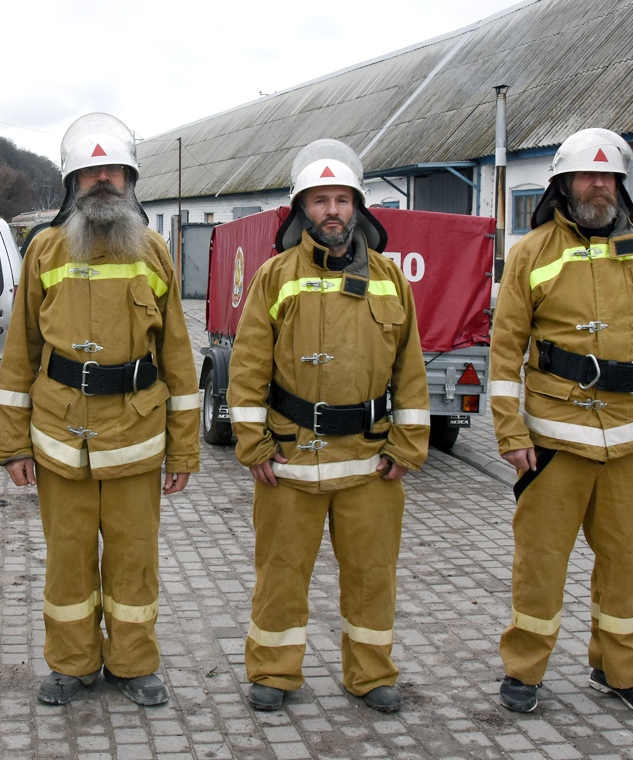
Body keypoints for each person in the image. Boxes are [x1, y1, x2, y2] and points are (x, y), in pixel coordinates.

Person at [489, 128, 633, 717]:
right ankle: (524, 671)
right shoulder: (532, 252)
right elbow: (504, 351)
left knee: (626, 565)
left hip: (628, 446)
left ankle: (620, 671)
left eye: (608, 178)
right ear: (563, 184)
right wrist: (511, 433)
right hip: (552, 445)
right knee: (540, 565)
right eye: (588, 176)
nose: (599, 187)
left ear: (620, 185)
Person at [0, 113, 200, 707]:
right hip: (60, 441)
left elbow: (180, 363)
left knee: (134, 563)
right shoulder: (45, 250)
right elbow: (19, 355)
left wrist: (184, 449)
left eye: (113, 170)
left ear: (130, 180)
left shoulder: (154, 251)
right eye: (90, 172)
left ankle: (133, 664)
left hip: (136, 439)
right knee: (67, 561)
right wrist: (12, 443)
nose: (102, 181)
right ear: (71, 183)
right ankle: (72, 663)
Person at [227, 138, 430, 714]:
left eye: (342, 199)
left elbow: (409, 370)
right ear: (301, 210)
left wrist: (409, 444)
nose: (333, 211)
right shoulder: (273, 276)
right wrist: (253, 443)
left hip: (370, 461)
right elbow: (246, 369)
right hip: (290, 459)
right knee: (281, 573)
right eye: (320, 201)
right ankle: (273, 671)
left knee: (372, 575)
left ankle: (370, 675)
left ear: (359, 207)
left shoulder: (391, 279)